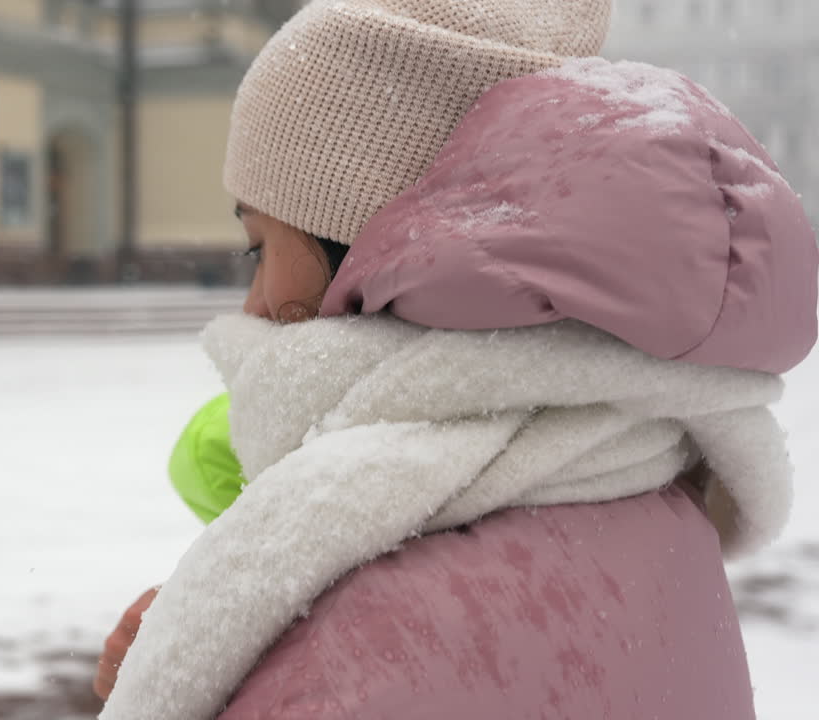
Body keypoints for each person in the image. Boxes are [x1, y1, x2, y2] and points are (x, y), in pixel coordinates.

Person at [95, 1, 819, 718]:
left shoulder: (362, 646)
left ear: (368, 250)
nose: (252, 307)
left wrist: (236, 659)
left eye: (259, 249)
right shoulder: (641, 481)